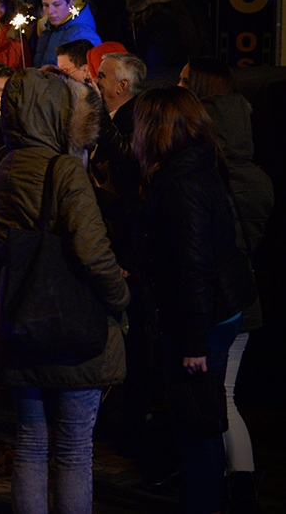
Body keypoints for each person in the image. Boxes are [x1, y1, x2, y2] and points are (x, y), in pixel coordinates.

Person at [0, 69, 129, 514]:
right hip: (73, 325)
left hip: (21, 321)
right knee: (74, 449)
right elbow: (93, 250)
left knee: (29, 444)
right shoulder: (63, 169)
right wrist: (120, 298)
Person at [131, 87, 258, 514]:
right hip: (217, 311)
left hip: (202, 320)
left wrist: (193, 344)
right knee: (203, 419)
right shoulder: (200, 164)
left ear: (155, 128)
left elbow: (191, 269)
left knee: (197, 428)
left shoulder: (180, 182)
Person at [178, 59, 271, 512]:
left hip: (222, 302)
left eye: (184, 81)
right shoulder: (255, 175)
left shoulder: (212, 176)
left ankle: (232, 486)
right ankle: (241, 483)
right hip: (243, 296)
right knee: (224, 396)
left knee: (217, 399)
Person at [31, 0, 100, 68]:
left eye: (57, 5)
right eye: (46, 5)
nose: (50, 11)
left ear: (71, 3)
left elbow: (90, 72)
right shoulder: (46, 30)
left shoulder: (82, 34)